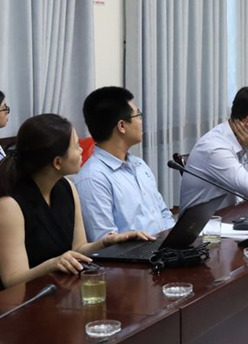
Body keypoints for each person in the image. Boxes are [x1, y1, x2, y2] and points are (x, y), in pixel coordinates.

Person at [0, 114, 153, 296]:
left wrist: (107, 242)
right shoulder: (7, 206)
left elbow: (78, 249)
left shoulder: (67, 187)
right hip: (8, 303)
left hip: (52, 292)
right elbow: (13, 280)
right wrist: (53, 264)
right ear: (58, 162)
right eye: (76, 146)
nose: (82, 150)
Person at [74, 87, 175, 242]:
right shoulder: (92, 179)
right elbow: (105, 242)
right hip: (134, 256)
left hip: (163, 248)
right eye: (138, 116)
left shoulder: (139, 164)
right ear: (122, 126)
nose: (141, 122)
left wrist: (175, 241)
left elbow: (163, 213)